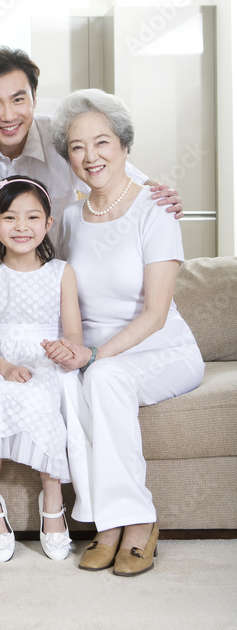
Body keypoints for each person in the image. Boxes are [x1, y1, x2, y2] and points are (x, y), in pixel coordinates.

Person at [42, 88, 204, 576]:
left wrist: (95, 357)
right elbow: (51, 279)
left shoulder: (155, 209)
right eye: (76, 147)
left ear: (124, 145)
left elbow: (155, 313)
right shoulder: (70, 217)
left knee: (104, 379)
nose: (90, 156)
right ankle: (105, 519)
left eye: (102, 142)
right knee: (69, 383)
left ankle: (132, 522)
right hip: (95, 352)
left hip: (160, 349)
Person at [0, 175, 82, 563]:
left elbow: (73, 336)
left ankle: (53, 506)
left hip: (46, 362)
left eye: (32, 217)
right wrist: (5, 367)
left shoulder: (62, 272)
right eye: (10, 218)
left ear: (48, 224)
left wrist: (62, 352)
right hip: (0, 360)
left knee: (45, 406)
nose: (21, 227)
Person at [0, 47, 182, 241]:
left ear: (34, 98)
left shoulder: (62, 135)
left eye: (18, 100)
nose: (8, 116)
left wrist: (156, 192)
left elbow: (117, 177)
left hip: (56, 276)